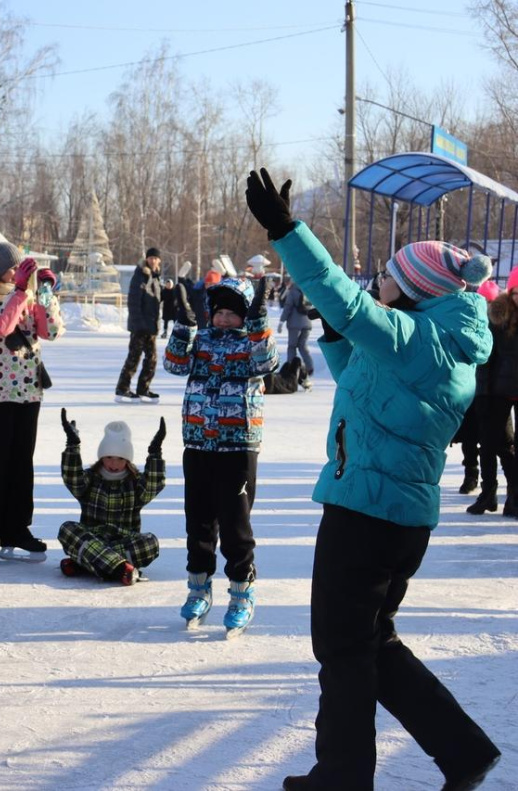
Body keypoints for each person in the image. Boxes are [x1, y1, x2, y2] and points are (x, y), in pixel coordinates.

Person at [246, 167, 501, 791]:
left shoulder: (421, 340)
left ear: (413, 290)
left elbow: (348, 299)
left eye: (388, 274)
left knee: (343, 647)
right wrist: (338, 336)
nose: (377, 279)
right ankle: (463, 751)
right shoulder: (431, 339)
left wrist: (287, 232)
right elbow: (365, 381)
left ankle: (343, 775)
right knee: (369, 643)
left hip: (369, 513)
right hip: (388, 510)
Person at [163, 273, 278, 634]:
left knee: (234, 526)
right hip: (197, 443)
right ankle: (198, 589)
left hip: (237, 445)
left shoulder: (251, 343)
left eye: (233, 312)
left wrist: (259, 322)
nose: (225, 319)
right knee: (197, 522)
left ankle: (242, 592)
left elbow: (267, 363)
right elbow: (173, 365)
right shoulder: (202, 341)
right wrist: (183, 327)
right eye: (219, 312)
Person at [0, 242, 64, 563]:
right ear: (1, 270)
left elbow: (51, 331)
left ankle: (16, 529)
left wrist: (46, 293)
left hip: (28, 393)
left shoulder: (25, 297)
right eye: (14, 269)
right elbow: (0, 325)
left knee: (22, 465)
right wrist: (21, 291)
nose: (18, 274)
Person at [57, 410, 163, 585]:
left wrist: (155, 453)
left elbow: (153, 485)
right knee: (67, 529)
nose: (114, 464)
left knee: (150, 543)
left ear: (127, 460)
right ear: (101, 457)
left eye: (120, 458)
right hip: (92, 537)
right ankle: (121, 568)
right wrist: (72, 445)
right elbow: (72, 478)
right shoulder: (91, 478)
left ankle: (85, 563)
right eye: (109, 457)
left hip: (124, 540)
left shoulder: (135, 482)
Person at [469, 271, 518, 516]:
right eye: (516, 292)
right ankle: (488, 492)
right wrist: (484, 394)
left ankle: (515, 496)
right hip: (499, 390)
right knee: (488, 443)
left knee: (509, 446)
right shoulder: (499, 316)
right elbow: (488, 359)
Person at [116, 247, 162, 401]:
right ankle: (122, 388)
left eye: (156, 258)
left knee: (152, 358)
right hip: (140, 326)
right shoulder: (140, 275)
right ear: (147, 259)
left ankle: (143, 388)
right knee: (134, 358)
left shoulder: (155, 277)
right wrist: (139, 323)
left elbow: (155, 301)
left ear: (159, 260)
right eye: (151, 258)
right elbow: (134, 302)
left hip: (151, 326)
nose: (153, 261)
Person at [278, 280, 315, 388]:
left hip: (294, 324)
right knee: (303, 346)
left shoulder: (293, 291)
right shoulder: (308, 290)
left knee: (292, 346)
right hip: (307, 323)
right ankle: (309, 367)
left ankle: (291, 368)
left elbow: (288, 307)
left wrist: (281, 321)